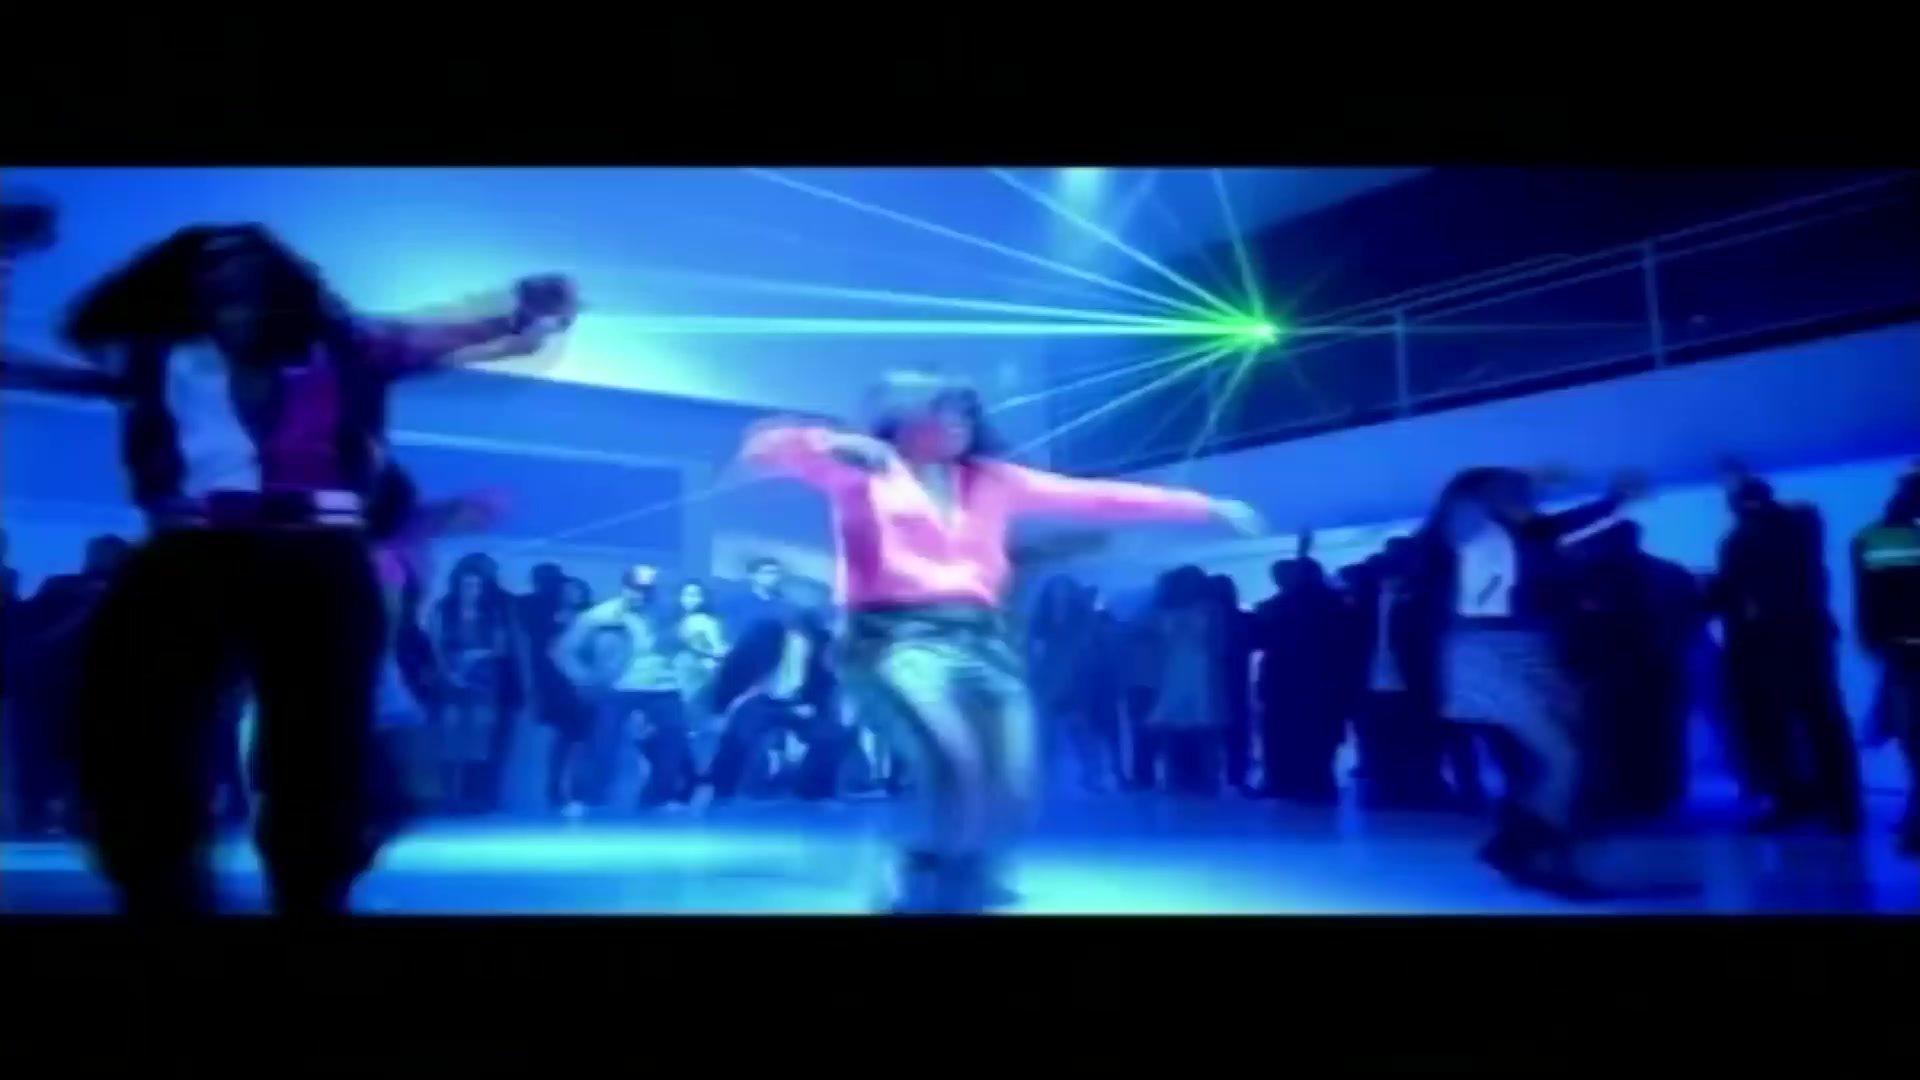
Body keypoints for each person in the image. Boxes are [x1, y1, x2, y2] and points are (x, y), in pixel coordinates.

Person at [53, 223, 576, 914]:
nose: (228, 273)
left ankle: (313, 883)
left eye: (243, 260)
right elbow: (61, 354)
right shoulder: (151, 349)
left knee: (319, 739)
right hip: (192, 550)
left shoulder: (343, 344)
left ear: (278, 277)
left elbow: (458, 338)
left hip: (314, 552)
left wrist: (525, 314)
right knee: (144, 726)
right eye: (210, 262)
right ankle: (164, 878)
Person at [738, 371, 1264, 913]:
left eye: (965, 412)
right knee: (954, 762)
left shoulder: (993, 480)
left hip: (983, 643)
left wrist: (1203, 506)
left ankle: (943, 867)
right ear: (905, 419)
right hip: (893, 640)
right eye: (942, 410)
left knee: (1013, 788)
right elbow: (768, 447)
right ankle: (933, 881)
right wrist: (827, 441)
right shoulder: (864, 470)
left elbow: (1095, 497)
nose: (958, 422)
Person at [1402, 467, 1642, 900]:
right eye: (1516, 492)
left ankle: (1517, 847)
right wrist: (1523, 485)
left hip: (1526, 646)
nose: (1529, 500)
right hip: (1488, 652)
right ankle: (1543, 860)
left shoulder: (1519, 531)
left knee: (1563, 755)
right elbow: (1462, 508)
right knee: (1564, 758)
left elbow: (1558, 524)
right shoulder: (1466, 526)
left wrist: (1614, 500)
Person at [1707, 470, 1861, 834]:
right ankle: (1814, 802)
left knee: (1808, 726)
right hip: (1775, 647)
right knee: (1789, 729)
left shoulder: (1780, 529)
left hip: (1788, 645)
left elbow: (1744, 588)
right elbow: (1733, 591)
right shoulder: (1751, 537)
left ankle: (1827, 804)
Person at [10, 536, 131, 837]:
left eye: (113, 554)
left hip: (106, 691)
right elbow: (37, 638)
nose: (106, 559)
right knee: (49, 756)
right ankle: (44, 814)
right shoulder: (62, 588)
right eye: (101, 553)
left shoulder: (131, 594)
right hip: (58, 688)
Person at [553, 565, 697, 811]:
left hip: (663, 686)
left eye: (648, 590)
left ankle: (660, 797)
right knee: (602, 742)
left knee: (673, 740)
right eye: (637, 589)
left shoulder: (667, 613)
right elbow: (565, 650)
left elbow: (680, 648)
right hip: (618, 686)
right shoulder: (601, 615)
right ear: (624, 587)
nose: (642, 595)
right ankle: (584, 798)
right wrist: (586, 679)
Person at [1852, 462, 1920, 856]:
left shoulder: (1874, 536)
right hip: (1905, 654)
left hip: (1902, 653)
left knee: (1913, 738)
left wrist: (1874, 640)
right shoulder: (1882, 537)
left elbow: (1869, 600)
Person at [432, 555, 523, 814]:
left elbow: (501, 648)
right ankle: (450, 797)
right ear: (456, 584)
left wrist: (476, 656)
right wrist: (450, 673)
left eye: (475, 585)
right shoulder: (442, 610)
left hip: (483, 684)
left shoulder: (492, 613)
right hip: (450, 684)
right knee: (451, 741)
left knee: (479, 741)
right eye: (466, 584)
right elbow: (435, 647)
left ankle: (474, 798)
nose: (471, 590)